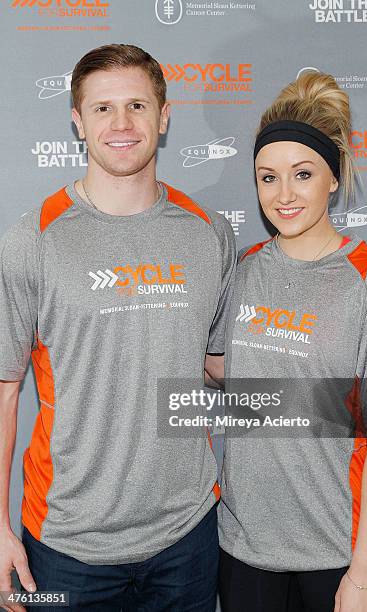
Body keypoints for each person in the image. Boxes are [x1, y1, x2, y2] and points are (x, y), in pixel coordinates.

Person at [0, 44, 236, 612]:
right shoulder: (33, 240)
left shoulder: (209, 233)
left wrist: (336, 396)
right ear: (78, 122)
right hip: (66, 544)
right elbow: (5, 391)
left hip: (188, 534)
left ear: (164, 114)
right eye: (102, 109)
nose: (122, 123)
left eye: (137, 104)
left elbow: (222, 367)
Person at [214, 72, 367, 612]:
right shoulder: (243, 271)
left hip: (339, 556)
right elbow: (223, 368)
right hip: (244, 548)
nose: (284, 195)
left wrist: (366, 572)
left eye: (302, 174)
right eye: (268, 177)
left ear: (334, 178)